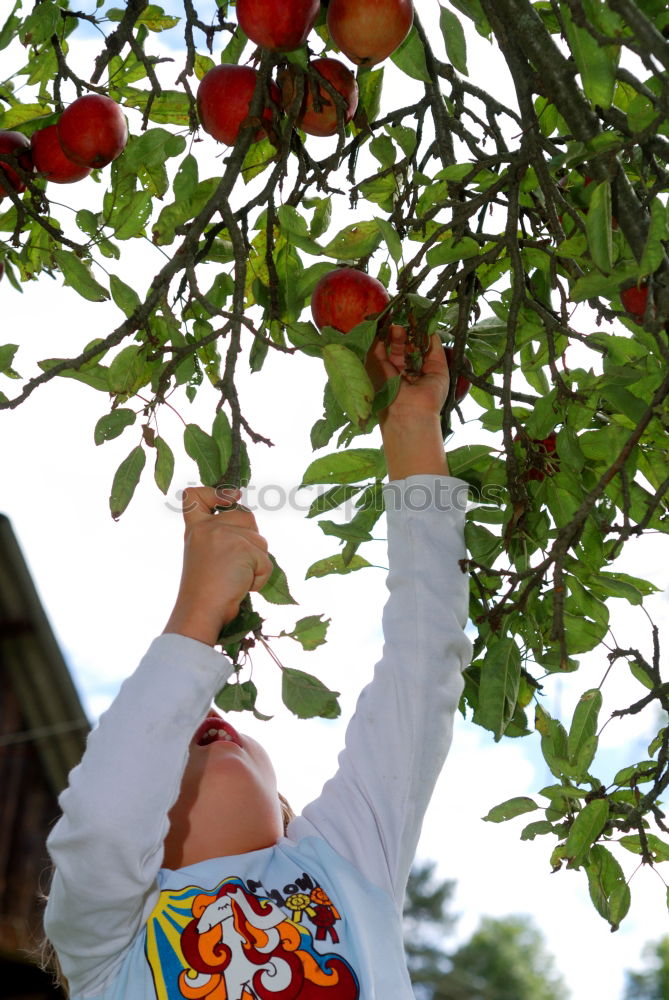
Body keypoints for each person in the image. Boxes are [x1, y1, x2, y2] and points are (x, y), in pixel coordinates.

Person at [43, 328, 473, 1000]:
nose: (198, 718)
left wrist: (412, 425)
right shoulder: (106, 949)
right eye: (165, 764)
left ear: (284, 810)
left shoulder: (335, 861)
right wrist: (195, 618)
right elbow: (103, 820)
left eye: (179, 729)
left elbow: (417, 668)